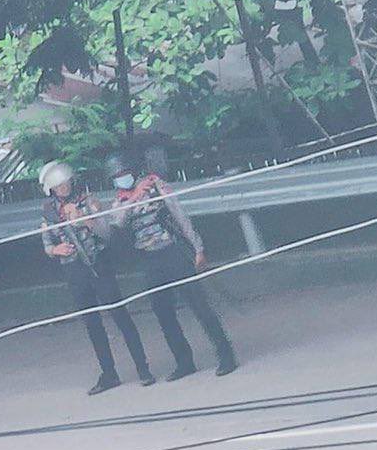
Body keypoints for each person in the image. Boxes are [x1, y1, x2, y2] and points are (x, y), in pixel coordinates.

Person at [108, 154, 237, 381]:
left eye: (123, 174)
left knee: (199, 305)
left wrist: (198, 248)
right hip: (149, 259)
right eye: (117, 177)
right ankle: (184, 361)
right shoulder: (120, 200)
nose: (121, 179)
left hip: (173, 252)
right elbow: (116, 223)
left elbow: (180, 216)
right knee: (163, 313)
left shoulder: (157, 186)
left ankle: (226, 354)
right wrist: (133, 199)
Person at [39, 160, 155, 395]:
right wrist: (55, 250)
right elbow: (47, 242)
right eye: (58, 185)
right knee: (92, 324)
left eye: (66, 183)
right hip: (74, 271)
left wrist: (83, 218)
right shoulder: (48, 211)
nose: (63, 188)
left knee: (120, 315)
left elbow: (106, 233)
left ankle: (143, 368)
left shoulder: (88, 201)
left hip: (98, 266)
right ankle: (109, 374)